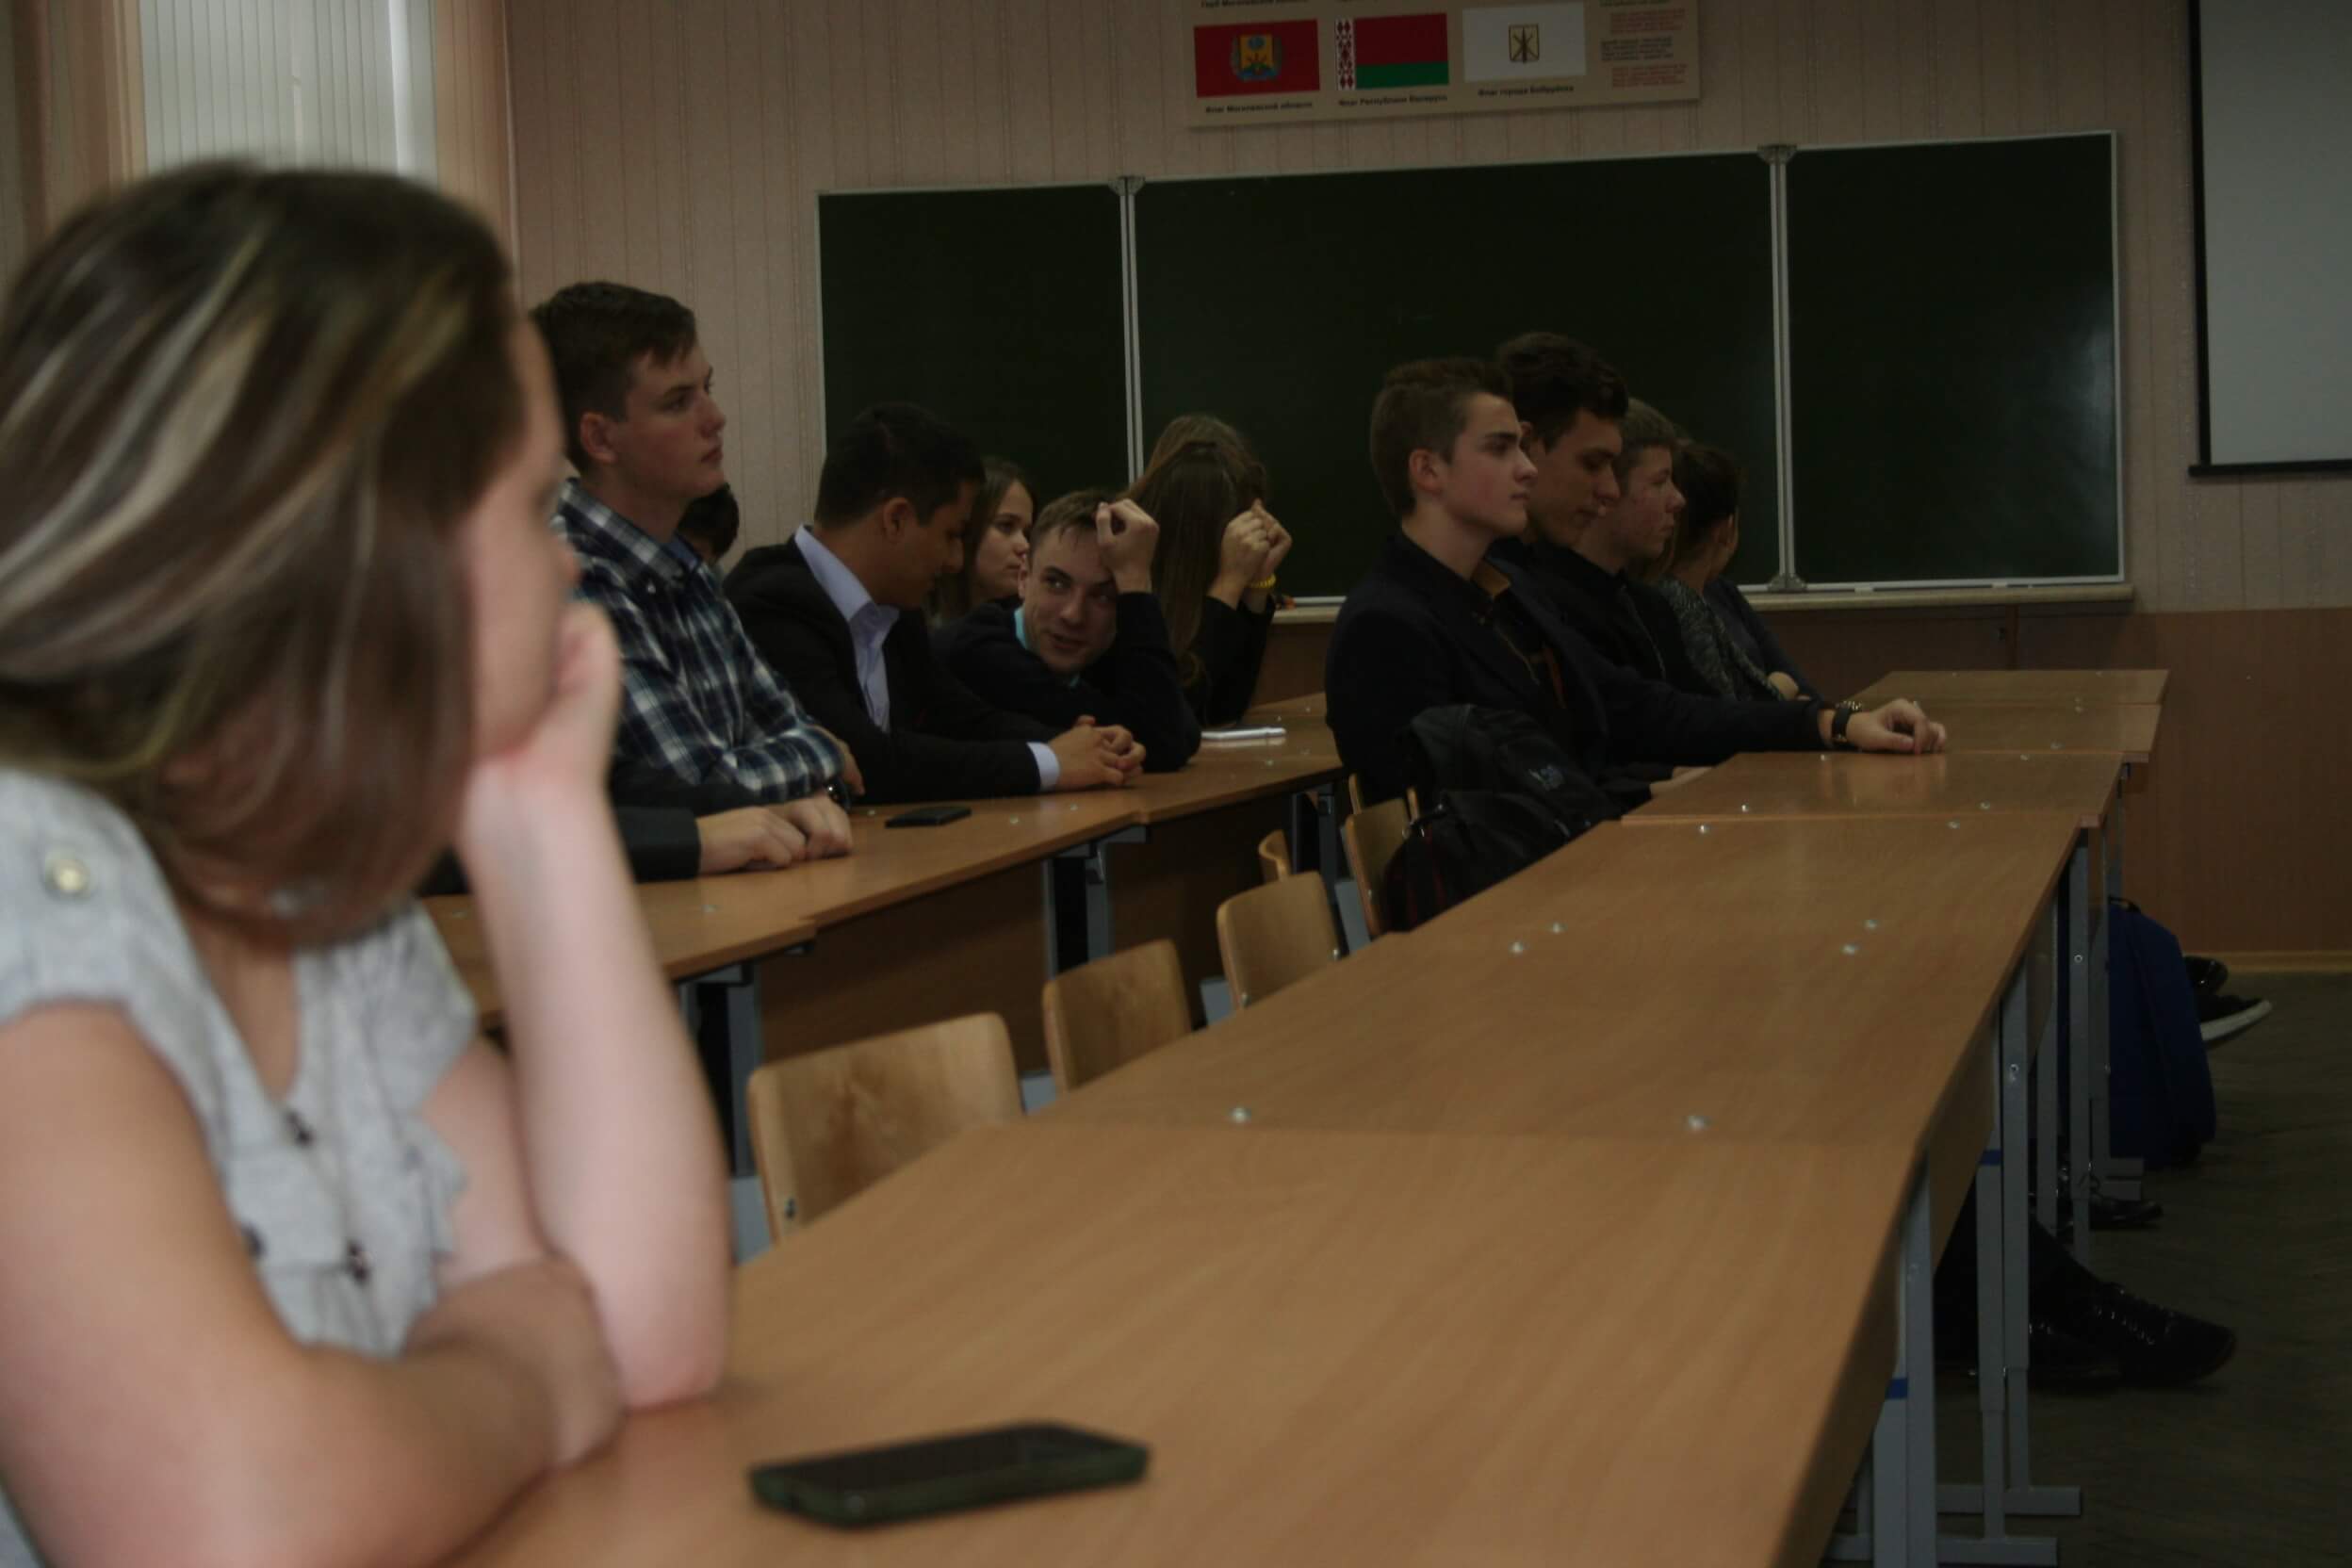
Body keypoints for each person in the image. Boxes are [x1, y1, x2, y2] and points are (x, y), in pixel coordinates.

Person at [0, 166, 728, 1566]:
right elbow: (231, 1522)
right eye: (529, 508)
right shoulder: (28, 888)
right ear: (370, 550)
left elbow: (645, 1337)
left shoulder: (311, 899)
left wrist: (540, 819)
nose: (568, 567)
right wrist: (518, 1379)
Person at [1325, 358, 1946, 806]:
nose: (1526, 469)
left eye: (1523, 448)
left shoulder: (1507, 594)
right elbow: (1467, 819)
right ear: (1428, 471)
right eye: (1500, 449)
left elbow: (1642, 708)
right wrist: (1645, 794)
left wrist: (1834, 723)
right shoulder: (1387, 626)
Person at [530, 282, 858, 840]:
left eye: (708, 388)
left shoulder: (692, 573)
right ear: (601, 438)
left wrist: (814, 771)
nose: (716, 417)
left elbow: (797, 737)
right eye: (678, 402)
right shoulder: (573, 577)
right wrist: (823, 758)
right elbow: (696, 787)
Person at [727, 403, 1144, 803]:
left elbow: (963, 718)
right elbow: (863, 761)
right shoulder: (771, 604)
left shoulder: (896, 610)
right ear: (896, 520)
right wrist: (1050, 762)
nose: (955, 561)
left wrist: (1084, 746)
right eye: (951, 535)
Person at [1491, 335, 1707, 694]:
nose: (1610, 490)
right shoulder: (1506, 597)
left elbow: (1641, 706)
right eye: (1592, 464)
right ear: (1525, 446)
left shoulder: (1528, 589)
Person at [937, 488, 1202, 772]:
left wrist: (1136, 586)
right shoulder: (978, 648)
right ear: (1024, 578)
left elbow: (1178, 730)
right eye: (1056, 584)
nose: (1073, 615)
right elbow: (1160, 743)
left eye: (1102, 596)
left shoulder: (1096, 652)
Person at [1128, 416, 1291, 723]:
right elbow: (1173, 714)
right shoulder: (1129, 579)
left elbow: (1224, 709)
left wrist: (1256, 589)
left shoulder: (1201, 575)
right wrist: (1228, 584)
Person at [1654, 443, 1797, 702]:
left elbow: (1794, 684)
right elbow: (1732, 712)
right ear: (1725, 529)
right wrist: (1781, 691)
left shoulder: (1720, 593)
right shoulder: (1676, 603)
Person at [928, 457, 1034, 624]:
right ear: (963, 528)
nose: (1025, 546)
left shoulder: (1036, 634)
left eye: (1027, 533)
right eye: (1006, 525)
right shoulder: (915, 632)